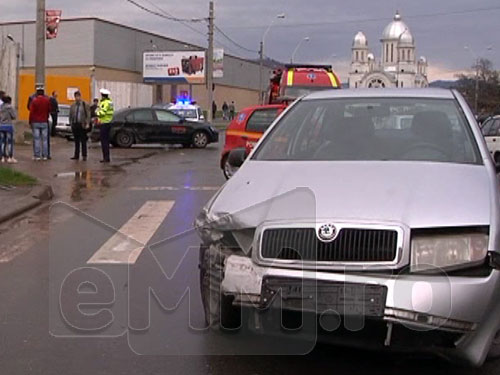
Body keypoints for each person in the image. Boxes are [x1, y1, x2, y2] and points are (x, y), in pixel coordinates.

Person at [29, 85, 51, 161]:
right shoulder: (47, 100)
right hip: (44, 121)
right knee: (45, 140)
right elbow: (49, 110)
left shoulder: (34, 101)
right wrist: (46, 117)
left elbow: (31, 112)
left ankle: (37, 155)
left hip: (35, 122)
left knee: (36, 139)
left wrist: (30, 121)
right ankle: (45, 155)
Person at [69, 91, 90, 161]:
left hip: (82, 124)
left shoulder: (84, 104)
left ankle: (84, 155)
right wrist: (71, 123)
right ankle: (76, 155)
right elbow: (71, 115)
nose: (77, 98)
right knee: (76, 141)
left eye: (78, 96)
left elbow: (88, 114)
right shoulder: (73, 105)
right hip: (75, 124)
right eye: (76, 96)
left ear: (80, 96)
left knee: (83, 141)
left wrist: (87, 123)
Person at [96, 88, 114, 163]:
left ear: (103, 96)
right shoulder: (110, 102)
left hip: (104, 123)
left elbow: (102, 113)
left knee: (104, 142)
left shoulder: (105, 103)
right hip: (108, 122)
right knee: (106, 141)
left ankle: (106, 158)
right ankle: (106, 157)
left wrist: (96, 113)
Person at [0, 96, 17, 163]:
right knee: (9, 142)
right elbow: (14, 116)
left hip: (1, 126)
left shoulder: (1, 107)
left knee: (2, 142)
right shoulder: (10, 107)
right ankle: (10, 157)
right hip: (8, 126)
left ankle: (2, 157)